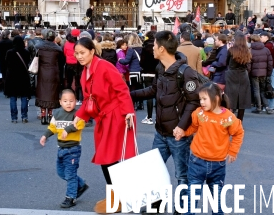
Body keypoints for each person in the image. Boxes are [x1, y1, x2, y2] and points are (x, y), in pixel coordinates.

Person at [129, 31, 201, 213]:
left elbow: (194, 101)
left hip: (179, 136)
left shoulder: (186, 73)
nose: (152, 47)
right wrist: (129, 95)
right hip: (161, 132)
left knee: (182, 175)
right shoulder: (160, 68)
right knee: (155, 171)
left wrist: (181, 126)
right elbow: (153, 90)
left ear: (161, 48)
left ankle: (183, 208)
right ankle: (156, 205)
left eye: (154, 45)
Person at [72, 37, 136, 213]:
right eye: (76, 53)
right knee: (108, 159)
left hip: (117, 116)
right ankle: (115, 197)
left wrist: (128, 112)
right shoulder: (86, 70)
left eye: (82, 52)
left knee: (110, 160)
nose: (79, 56)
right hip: (104, 118)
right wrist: (80, 116)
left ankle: (116, 199)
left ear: (92, 51)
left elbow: (122, 89)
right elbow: (88, 99)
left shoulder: (104, 66)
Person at [175, 83, 244, 215]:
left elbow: (238, 133)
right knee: (191, 200)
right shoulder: (199, 113)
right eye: (200, 99)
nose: (201, 102)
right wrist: (184, 132)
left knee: (217, 201)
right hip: (196, 162)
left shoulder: (229, 118)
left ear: (217, 98)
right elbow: (194, 127)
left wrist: (233, 151)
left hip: (218, 165)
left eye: (204, 99)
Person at [40, 89, 89, 208]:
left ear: (76, 101)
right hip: (60, 149)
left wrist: (68, 130)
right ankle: (81, 184)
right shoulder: (57, 114)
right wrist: (45, 136)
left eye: (71, 101)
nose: (68, 103)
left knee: (70, 175)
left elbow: (80, 124)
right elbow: (52, 127)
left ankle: (70, 197)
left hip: (73, 150)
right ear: (60, 102)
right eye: (65, 101)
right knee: (61, 172)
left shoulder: (77, 115)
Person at [35, 30, 65, 124]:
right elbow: (62, 62)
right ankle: (50, 114)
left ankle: (43, 114)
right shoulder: (58, 49)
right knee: (52, 93)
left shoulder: (39, 48)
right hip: (53, 72)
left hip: (42, 72)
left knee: (42, 92)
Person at [4, 36, 32, 123]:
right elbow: (28, 62)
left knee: (13, 97)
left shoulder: (9, 52)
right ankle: (24, 116)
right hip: (23, 76)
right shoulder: (26, 52)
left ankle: (14, 117)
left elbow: (6, 63)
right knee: (24, 97)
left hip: (12, 77)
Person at [225, 34, 252, 121]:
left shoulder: (231, 50)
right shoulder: (247, 51)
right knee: (242, 99)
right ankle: (240, 121)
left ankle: (231, 120)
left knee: (230, 98)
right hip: (243, 75)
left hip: (232, 74)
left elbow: (226, 62)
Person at [249, 34, 274, 114]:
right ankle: (267, 106)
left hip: (254, 73)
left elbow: (249, 64)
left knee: (256, 90)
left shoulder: (250, 50)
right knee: (263, 90)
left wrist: (249, 72)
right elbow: (270, 63)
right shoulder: (266, 49)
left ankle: (259, 107)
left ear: (252, 41)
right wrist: (268, 73)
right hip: (264, 72)